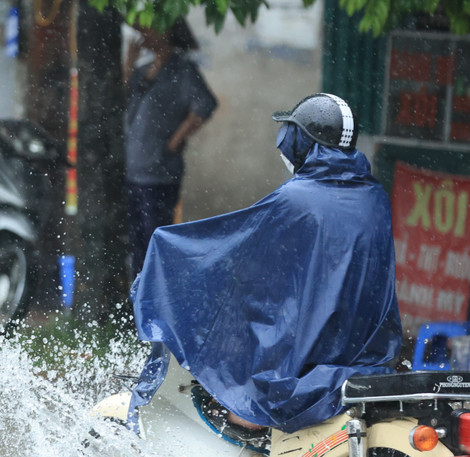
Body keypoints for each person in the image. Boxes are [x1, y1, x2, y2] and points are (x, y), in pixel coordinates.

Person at [128, 93, 402, 435]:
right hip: (360, 344)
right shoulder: (374, 197)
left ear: (304, 142)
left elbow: (238, 243)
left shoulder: (296, 198)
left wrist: (170, 250)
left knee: (249, 346)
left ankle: (248, 422)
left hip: (311, 343)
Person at [123, 19, 217, 276]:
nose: (143, 32)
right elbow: (122, 102)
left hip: (159, 173)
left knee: (154, 242)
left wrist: (175, 141)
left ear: (166, 31)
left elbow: (206, 104)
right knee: (135, 243)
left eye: (149, 26)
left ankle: (153, 294)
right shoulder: (142, 70)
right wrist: (129, 62)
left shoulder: (182, 70)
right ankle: (138, 294)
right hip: (132, 169)